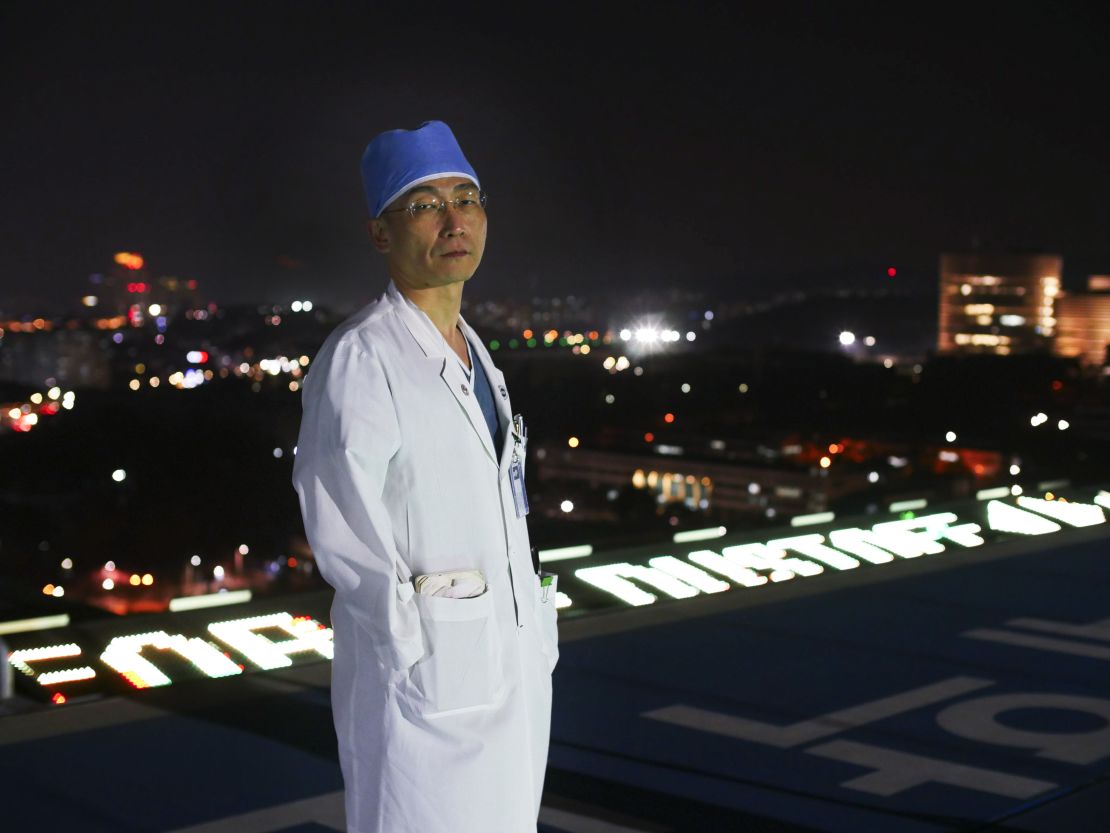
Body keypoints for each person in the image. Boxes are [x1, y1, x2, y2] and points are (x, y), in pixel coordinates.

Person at [292, 120, 558, 833]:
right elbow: (345, 530)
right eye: (423, 204)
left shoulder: (478, 358)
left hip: (507, 672)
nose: (453, 219)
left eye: (466, 198)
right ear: (381, 233)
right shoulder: (362, 357)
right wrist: (412, 647)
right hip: (425, 684)